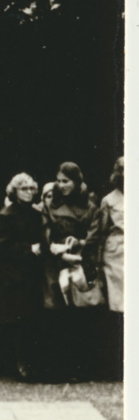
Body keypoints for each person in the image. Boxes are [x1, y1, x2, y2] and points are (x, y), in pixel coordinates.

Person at [41, 161, 101, 380]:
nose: (61, 185)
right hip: (56, 263)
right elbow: (45, 232)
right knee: (56, 316)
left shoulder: (91, 206)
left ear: (77, 181)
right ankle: (58, 368)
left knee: (80, 317)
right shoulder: (51, 205)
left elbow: (94, 236)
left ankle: (79, 368)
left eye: (66, 181)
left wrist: (79, 244)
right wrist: (58, 251)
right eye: (58, 181)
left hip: (79, 263)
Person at [0, 173, 45, 381]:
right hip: (15, 276)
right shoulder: (7, 214)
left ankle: (29, 364)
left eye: (32, 189)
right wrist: (29, 249)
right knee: (19, 321)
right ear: (15, 191)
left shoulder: (34, 213)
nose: (29, 192)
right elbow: (2, 247)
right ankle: (20, 365)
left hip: (32, 273)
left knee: (30, 320)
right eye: (24, 189)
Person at [96, 158, 124, 376]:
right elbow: (102, 231)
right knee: (117, 308)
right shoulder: (109, 200)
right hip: (116, 256)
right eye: (122, 171)